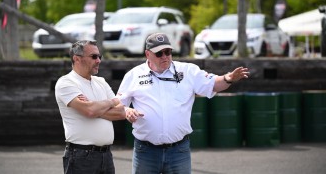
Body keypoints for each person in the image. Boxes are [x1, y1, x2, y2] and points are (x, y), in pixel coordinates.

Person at [117, 33, 250, 174]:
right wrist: (127, 111)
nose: (164, 56)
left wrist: (228, 78)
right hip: (145, 151)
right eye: (159, 53)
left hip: (178, 151)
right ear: (147, 54)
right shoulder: (133, 75)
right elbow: (118, 104)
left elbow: (213, 84)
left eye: (167, 52)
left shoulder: (188, 71)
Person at [55, 40, 126, 174]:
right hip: (81, 156)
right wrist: (111, 102)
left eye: (100, 56)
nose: (98, 60)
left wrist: (93, 107)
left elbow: (121, 112)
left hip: (106, 155)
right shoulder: (66, 82)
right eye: (94, 56)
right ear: (76, 59)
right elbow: (90, 110)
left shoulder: (101, 81)